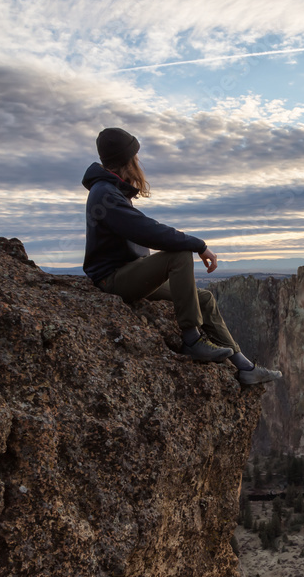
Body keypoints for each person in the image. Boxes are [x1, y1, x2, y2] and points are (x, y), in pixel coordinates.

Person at [82, 127, 282, 385]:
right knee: (179, 255)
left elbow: (144, 229)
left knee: (205, 299)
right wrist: (198, 245)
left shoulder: (111, 191)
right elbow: (148, 231)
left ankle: (243, 366)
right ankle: (192, 339)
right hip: (113, 279)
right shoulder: (105, 194)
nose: (138, 162)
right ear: (127, 160)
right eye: (135, 156)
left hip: (129, 273)